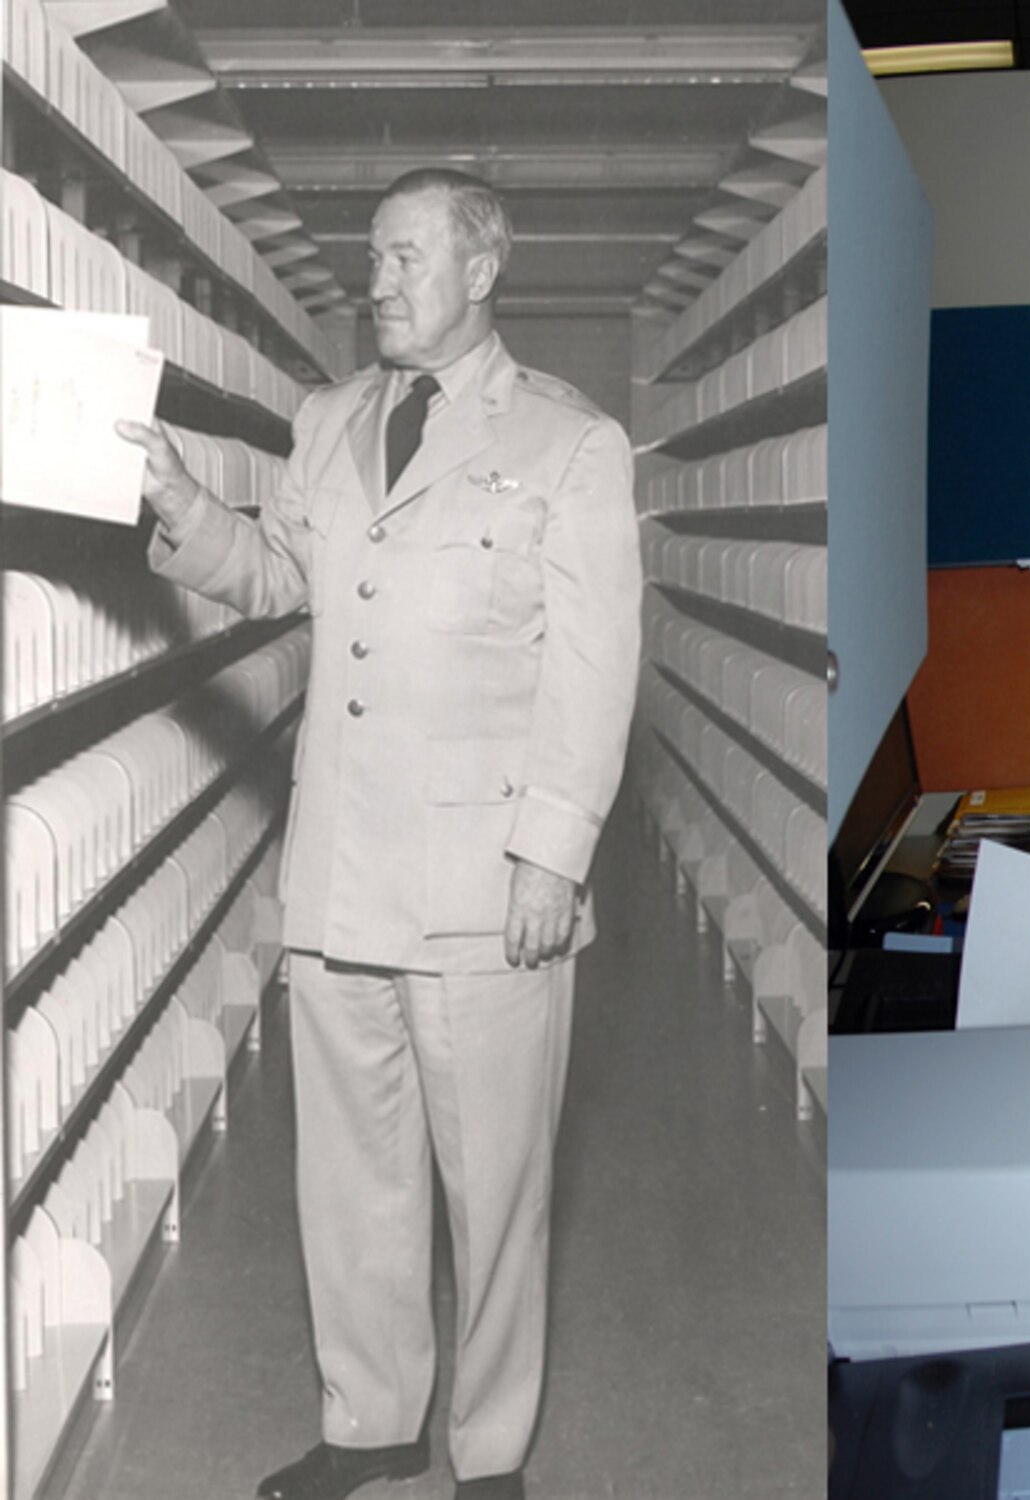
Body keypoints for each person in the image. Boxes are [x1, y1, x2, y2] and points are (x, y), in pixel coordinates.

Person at [118, 167, 643, 1500]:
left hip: (484, 887)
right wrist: (185, 505)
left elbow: (596, 667)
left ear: (481, 270)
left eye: (406, 256)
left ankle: (490, 1456)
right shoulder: (330, 418)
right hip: (341, 867)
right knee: (350, 1181)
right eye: (372, 256)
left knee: (495, 1191)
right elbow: (281, 577)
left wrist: (553, 854)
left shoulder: (568, 446)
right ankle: (370, 1424)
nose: (379, 280)